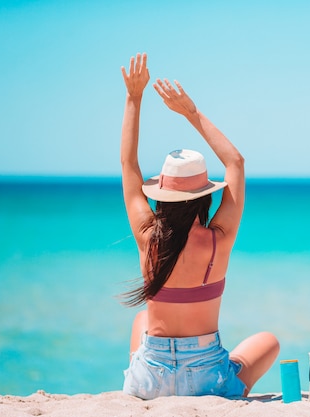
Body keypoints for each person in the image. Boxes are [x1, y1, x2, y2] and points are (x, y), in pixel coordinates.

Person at [119, 52, 279, 400]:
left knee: (140, 323)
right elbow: (235, 162)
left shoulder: (148, 237)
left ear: (160, 197)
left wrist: (134, 97)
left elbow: (128, 164)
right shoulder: (219, 238)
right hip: (208, 380)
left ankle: (144, 378)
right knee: (269, 342)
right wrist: (190, 113)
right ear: (206, 197)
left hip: (150, 380)